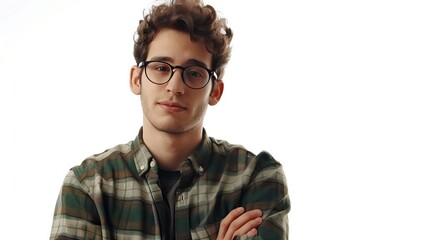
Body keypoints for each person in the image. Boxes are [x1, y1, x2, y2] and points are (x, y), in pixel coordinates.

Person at [50, 0, 290, 239]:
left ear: (215, 91)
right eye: (161, 68)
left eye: (194, 73)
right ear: (136, 79)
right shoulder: (88, 185)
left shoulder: (255, 176)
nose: (175, 87)